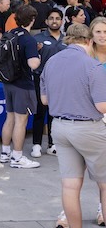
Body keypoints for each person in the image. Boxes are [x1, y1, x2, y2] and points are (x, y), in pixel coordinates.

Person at [41, 23, 106, 228]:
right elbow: (102, 106)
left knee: (70, 185)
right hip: (89, 128)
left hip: (59, 128)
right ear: (88, 41)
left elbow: (44, 100)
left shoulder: (51, 62)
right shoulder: (92, 65)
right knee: (105, 184)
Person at [0, 4, 41, 169]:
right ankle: (17, 157)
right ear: (32, 19)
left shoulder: (10, 34)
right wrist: (37, 55)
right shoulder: (28, 39)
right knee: (21, 121)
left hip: (8, 82)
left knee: (9, 118)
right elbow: (33, 64)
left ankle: (5, 152)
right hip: (23, 84)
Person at [32, 8, 66, 158]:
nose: (54, 21)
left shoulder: (67, 40)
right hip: (41, 79)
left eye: (57, 18)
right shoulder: (37, 38)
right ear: (46, 21)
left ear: (62, 21)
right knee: (40, 112)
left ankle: (52, 144)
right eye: (51, 18)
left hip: (60, 81)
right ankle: (36, 145)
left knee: (55, 114)